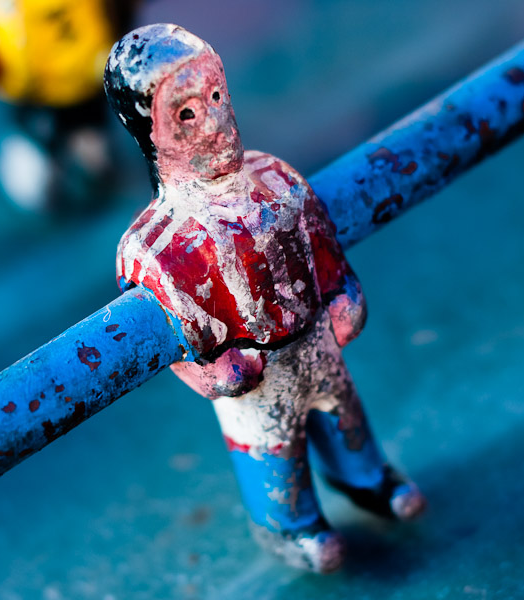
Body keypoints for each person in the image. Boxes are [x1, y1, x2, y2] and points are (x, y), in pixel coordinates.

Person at [106, 23, 425, 572]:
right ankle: (291, 525)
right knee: (271, 454)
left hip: (317, 340)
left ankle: (370, 479)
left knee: (345, 418)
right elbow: (171, 347)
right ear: (148, 131)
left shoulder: (276, 176)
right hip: (252, 375)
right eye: (185, 113)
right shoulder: (151, 249)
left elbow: (322, 246)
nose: (214, 120)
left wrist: (344, 294)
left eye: (215, 96)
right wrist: (215, 376)